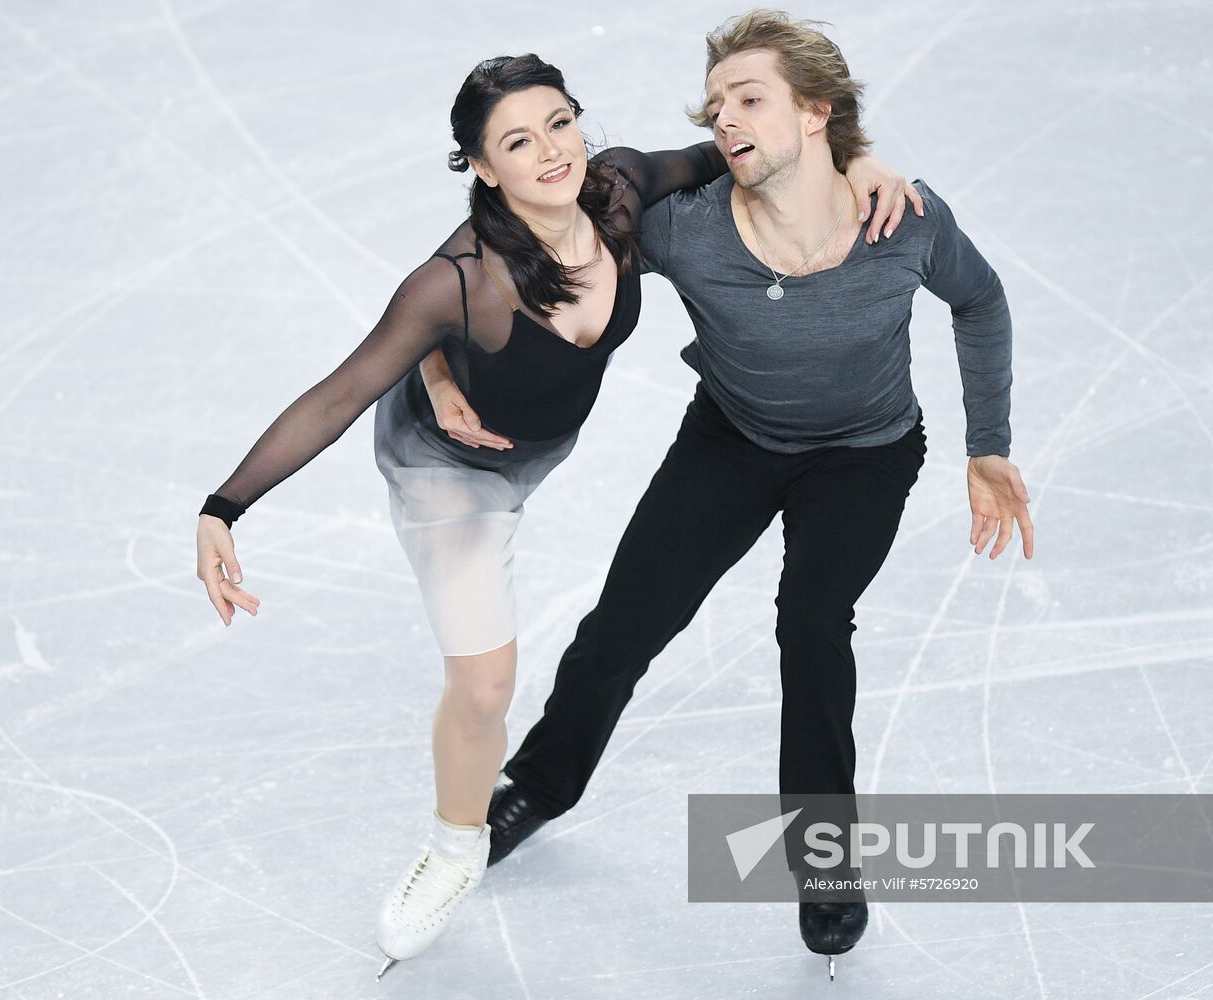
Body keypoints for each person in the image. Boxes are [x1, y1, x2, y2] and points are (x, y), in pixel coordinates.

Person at [192, 53, 920, 978]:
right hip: (454, 467)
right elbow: (339, 393)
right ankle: (457, 846)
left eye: (559, 123)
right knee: (490, 682)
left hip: (548, 443)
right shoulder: (454, 283)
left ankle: (803, 859)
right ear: (481, 168)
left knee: (748, 620)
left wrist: (858, 162)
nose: (550, 153)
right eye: (516, 142)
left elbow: (753, 152)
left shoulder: (617, 191)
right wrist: (224, 507)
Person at [422, 11, 1035, 975]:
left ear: (817, 112)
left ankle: (824, 863)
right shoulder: (681, 226)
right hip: (732, 442)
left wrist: (987, 444)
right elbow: (499, 252)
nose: (725, 120)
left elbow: (980, 300)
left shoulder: (901, 219)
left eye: (749, 99)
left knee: (813, 626)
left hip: (864, 456)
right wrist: (438, 372)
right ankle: (540, 784)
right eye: (715, 108)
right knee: (624, 623)